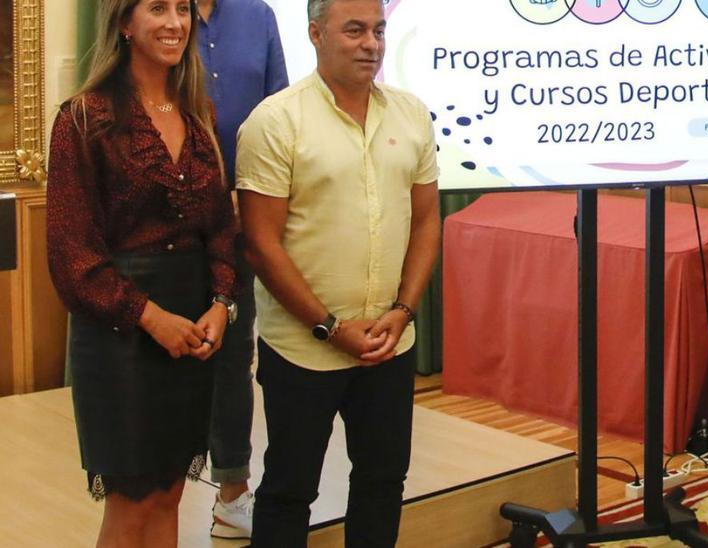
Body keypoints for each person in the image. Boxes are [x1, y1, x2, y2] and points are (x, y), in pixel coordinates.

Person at [235, 0, 441, 544]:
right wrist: (329, 326)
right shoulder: (275, 120)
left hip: (388, 345)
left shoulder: (411, 113)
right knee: (289, 489)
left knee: (382, 481)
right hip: (304, 348)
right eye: (354, 30)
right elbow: (259, 244)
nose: (370, 43)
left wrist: (403, 312)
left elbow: (425, 222)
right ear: (315, 33)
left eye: (377, 30)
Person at [45, 0, 237, 545]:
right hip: (119, 334)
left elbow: (221, 230)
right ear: (124, 23)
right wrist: (151, 318)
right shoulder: (84, 118)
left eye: (182, 9)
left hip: (195, 328)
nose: (175, 22)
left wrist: (221, 305)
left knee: (171, 494)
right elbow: (70, 255)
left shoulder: (199, 116)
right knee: (131, 502)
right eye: (157, 8)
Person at [193, 0, 289, 538]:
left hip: (242, 214)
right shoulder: (155, 12)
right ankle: (151, 491)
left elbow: (281, 110)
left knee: (233, 355)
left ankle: (232, 493)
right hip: (166, 218)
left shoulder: (259, 15)